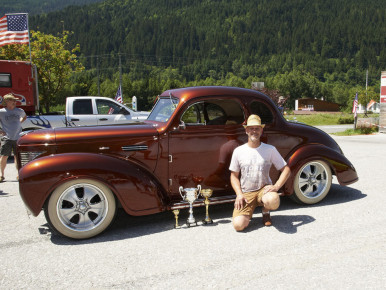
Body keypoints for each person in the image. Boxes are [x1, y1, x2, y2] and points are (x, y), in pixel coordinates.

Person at [229, 114, 291, 231]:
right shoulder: (238, 151)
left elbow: (286, 169)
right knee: (238, 226)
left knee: (273, 201)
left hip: (264, 189)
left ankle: (265, 211)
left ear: (261, 131)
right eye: (251, 128)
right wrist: (239, 194)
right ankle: (248, 212)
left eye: (257, 128)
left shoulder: (270, 149)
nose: (254, 131)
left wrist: (276, 186)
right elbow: (234, 176)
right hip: (246, 193)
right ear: (246, 130)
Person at [0, 93, 27, 182]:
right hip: (6, 137)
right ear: (7, 101)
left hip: (17, 137)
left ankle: (18, 174)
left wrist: (20, 122)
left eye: (15, 100)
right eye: (12, 100)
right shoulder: (2, 112)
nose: (15, 102)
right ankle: (1, 175)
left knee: (17, 156)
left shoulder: (19, 110)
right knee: (4, 156)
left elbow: (24, 117)